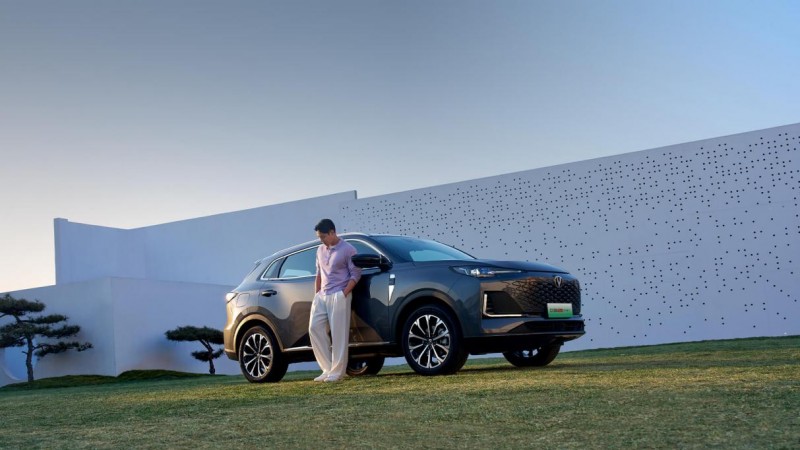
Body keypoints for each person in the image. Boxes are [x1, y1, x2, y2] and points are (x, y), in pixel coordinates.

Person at [309, 218, 362, 382]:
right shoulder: (320, 250)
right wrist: (317, 294)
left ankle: (337, 372)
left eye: (323, 236)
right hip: (322, 296)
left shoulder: (348, 249)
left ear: (332, 232)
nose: (321, 240)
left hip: (339, 294)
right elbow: (319, 274)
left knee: (339, 334)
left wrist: (344, 294)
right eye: (319, 237)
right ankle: (327, 369)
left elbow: (356, 274)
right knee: (314, 328)